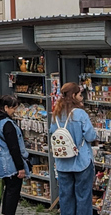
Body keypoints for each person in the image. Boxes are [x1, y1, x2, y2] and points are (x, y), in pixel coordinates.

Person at [49, 82, 97, 215]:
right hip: (81, 160)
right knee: (83, 196)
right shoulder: (80, 114)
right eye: (80, 94)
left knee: (66, 197)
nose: (82, 97)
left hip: (62, 162)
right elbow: (90, 136)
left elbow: (52, 133)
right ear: (74, 95)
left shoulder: (56, 114)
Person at [0, 95, 29, 215]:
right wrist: (20, 167)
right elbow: (13, 147)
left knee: (2, 190)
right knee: (12, 192)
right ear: (6, 107)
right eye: (13, 108)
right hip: (10, 163)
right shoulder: (7, 124)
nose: (14, 111)